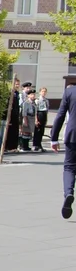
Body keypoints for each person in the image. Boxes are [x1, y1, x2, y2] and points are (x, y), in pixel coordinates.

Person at [51, 83, 76, 219]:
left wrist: (54, 138)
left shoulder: (70, 92)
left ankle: (68, 193)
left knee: (69, 168)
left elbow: (60, 115)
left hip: (73, 135)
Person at [34, 87, 49, 152]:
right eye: (42, 91)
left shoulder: (46, 100)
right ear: (40, 92)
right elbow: (36, 110)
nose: (44, 93)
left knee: (42, 131)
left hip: (44, 115)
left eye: (45, 91)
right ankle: (36, 145)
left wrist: (46, 119)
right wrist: (36, 119)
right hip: (39, 115)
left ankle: (39, 144)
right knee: (37, 131)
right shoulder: (37, 100)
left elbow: (47, 109)